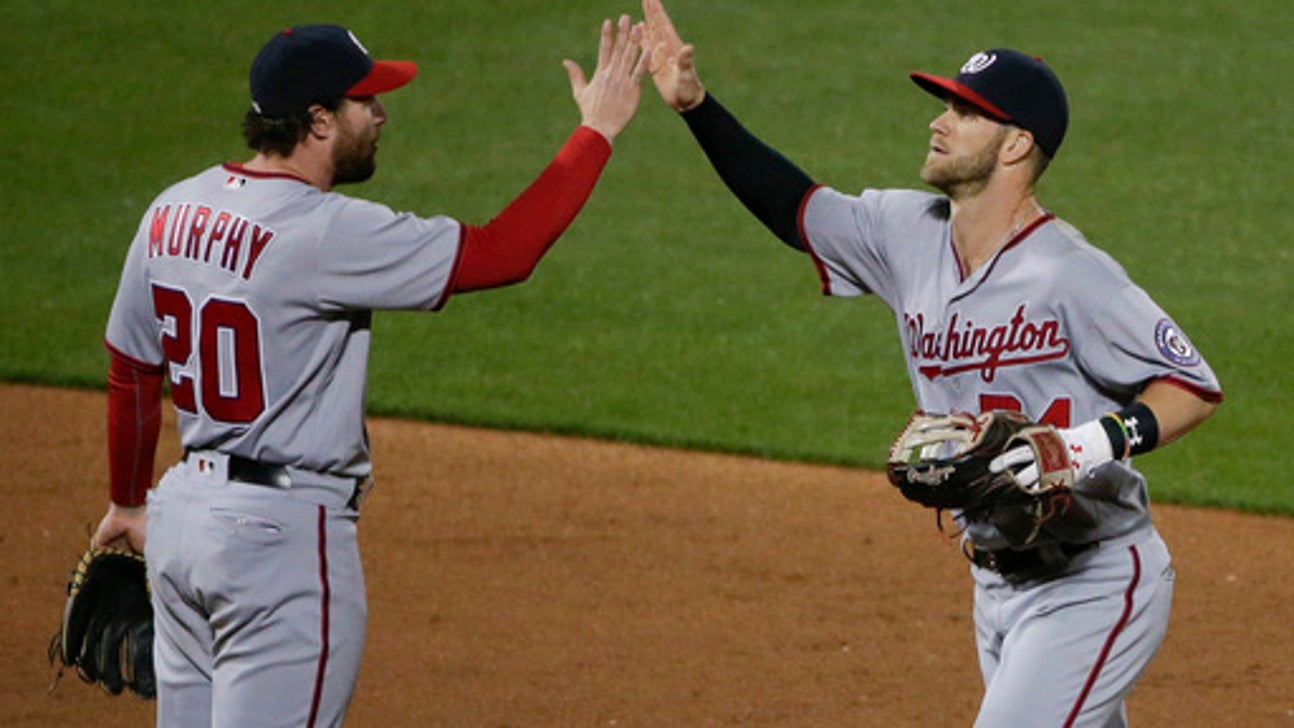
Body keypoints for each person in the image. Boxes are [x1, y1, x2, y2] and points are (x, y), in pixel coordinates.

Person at [639, 0, 1222, 725]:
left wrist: (1084, 443)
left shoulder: (1072, 273)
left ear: (1015, 145)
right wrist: (696, 106)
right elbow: (795, 209)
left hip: (1095, 579)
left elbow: (1192, 386)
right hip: (996, 583)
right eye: (945, 103)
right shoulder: (902, 233)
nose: (939, 121)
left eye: (965, 112)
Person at [92, 18, 649, 726]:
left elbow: (132, 370)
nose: (382, 115)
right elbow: (503, 253)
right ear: (318, 120)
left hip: (181, 526)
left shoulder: (172, 209)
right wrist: (596, 131)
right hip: (279, 544)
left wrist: (129, 501)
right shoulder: (324, 230)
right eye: (366, 103)